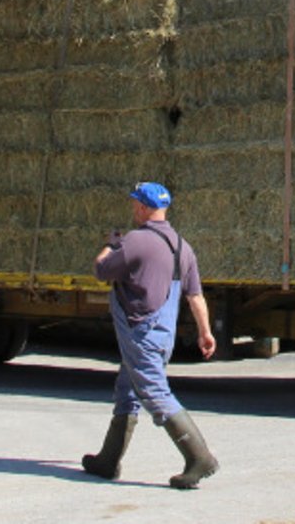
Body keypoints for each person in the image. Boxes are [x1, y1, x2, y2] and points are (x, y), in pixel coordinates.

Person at [81, 181, 220, 490]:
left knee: (155, 393)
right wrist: (205, 332)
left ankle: (200, 457)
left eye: (135, 205)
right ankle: (108, 460)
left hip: (140, 330)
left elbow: (101, 270)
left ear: (143, 207)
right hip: (163, 332)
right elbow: (195, 296)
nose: (133, 209)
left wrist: (111, 245)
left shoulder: (136, 241)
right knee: (127, 389)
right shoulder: (183, 247)